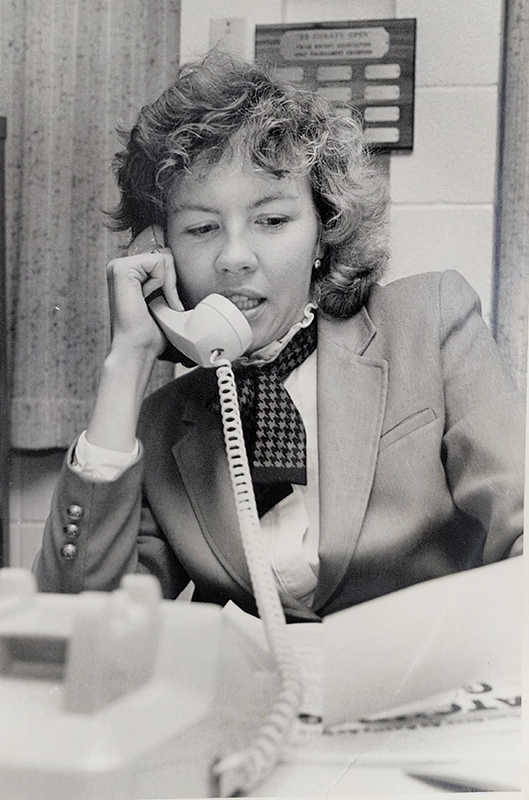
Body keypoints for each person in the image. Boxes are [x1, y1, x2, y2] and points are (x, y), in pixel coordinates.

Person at [34, 53, 524, 623]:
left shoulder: (430, 321)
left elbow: (520, 515)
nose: (235, 257)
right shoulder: (158, 423)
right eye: (201, 228)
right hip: (260, 701)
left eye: (272, 221)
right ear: (159, 252)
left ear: (324, 229)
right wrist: (127, 362)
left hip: (426, 687)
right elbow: (77, 624)